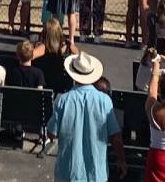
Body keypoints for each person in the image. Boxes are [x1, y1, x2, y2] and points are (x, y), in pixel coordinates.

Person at [45, 52, 127, 182]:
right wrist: (121, 160)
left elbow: (51, 133)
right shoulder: (104, 101)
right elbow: (115, 136)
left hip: (67, 171)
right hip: (96, 173)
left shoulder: (63, 100)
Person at [34, 17, 74, 94]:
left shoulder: (43, 48)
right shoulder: (67, 46)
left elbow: (27, 56)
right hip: (61, 84)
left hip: (44, 82)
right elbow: (80, 55)